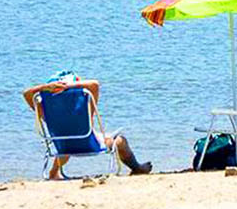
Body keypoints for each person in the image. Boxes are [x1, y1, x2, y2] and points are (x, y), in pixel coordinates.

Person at [23, 71, 152, 178]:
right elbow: (94, 84)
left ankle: (53, 172)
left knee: (67, 135)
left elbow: (26, 94)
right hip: (89, 144)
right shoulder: (83, 108)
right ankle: (137, 168)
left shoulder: (47, 111)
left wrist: (43, 88)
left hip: (63, 146)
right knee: (120, 140)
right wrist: (69, 86)